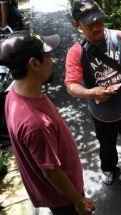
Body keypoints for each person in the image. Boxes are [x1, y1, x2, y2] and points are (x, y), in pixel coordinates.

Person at [1, 31, 95, 215]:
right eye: (47, 56)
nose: (52, 60)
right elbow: (51, 172)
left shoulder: (14, 94)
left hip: (58, 194)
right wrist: (79, 200)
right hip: (66, 198)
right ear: (34, 64)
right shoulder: (36, 123)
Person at [65, 0, 121, 185]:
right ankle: (108, 167)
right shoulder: (76, 52)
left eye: (99, 21)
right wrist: (91, 92)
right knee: (106, 145)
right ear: (77, 25)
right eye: (89, 24)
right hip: (102, 114)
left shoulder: (120, 38)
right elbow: (71, 86)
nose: (97, 27)